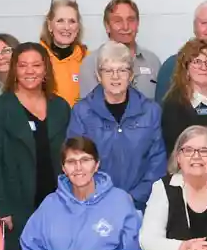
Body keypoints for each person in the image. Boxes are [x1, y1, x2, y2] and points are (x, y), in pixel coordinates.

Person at [0, 42, 71, 250]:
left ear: (45, 69)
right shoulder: (0, 109)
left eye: (36, 65)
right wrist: (2, 207)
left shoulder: (60, 106)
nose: (30, 71)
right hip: (17, 206)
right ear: (15, 69)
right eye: (23, 65)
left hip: (58, 204)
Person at [67, 41, 165, 209]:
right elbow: (76, 162)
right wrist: (104, 196)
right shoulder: (82, 112)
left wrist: (134, 197)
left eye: (122, 70)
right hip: (95, 205)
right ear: (98, 75)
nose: (115, 76)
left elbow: (157, 162)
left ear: (131, 75)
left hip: (141, 206)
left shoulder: (151, 111)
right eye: (108, 70)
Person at [19, 136, 142, 250]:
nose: (78, 168)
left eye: (85, 160)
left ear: (96, 165)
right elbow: (30, 245)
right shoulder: (50, 204)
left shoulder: (120, 201)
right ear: (63, 168)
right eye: (71, 162)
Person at [159, 38, 207, 158]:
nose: (203, 67)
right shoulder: (174, 103)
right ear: (186, 68)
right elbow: (173, 151)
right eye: (197, 61)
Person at [80, 0, 160, 101]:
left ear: (138, 24)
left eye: (131, 20)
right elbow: (87, 109)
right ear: (107, 26)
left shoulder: (152, 61)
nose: (126, 27)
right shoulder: (91, 63)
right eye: (118, 21)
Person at [39, 0, 88, 106]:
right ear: (49, 25)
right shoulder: (36, 59)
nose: (66, 27)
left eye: (72, 21)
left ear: (78, 27)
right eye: (60, 21)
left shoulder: (89, 60)